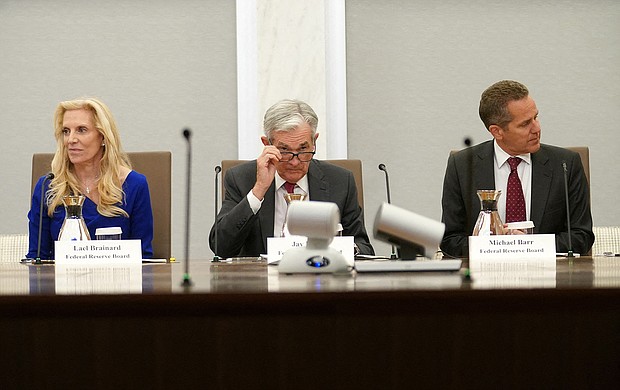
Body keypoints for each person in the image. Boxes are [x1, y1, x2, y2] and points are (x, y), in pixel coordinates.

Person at [440, 80, 594, 257]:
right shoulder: (461, 166)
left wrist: (527, 245)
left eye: (536, 117)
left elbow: (581, 236)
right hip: (483, 278)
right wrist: (497, 246)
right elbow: (450, 239)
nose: (537, 128)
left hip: (550, 277)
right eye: (525, 124)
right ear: (497, 131)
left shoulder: (565, 164)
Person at [209, 99, 374, 258]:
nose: (295, 162)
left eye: (303, 149)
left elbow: (363, 246)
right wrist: (258, 190)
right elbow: (221, 248)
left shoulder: (340, 181)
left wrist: (341, 248)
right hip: (262, 282)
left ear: (314, 142)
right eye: (284, 150)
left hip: (321, 280)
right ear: (267, 143)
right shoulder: (241, 179)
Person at [26, 97, 154, 259]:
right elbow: (37, 258)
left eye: (81, 130)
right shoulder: (48, 187)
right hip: (60, 282)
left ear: (103, 137)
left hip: (120, 282)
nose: (71, 139)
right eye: (66, 131)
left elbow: (144, 258)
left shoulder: (134, 185)